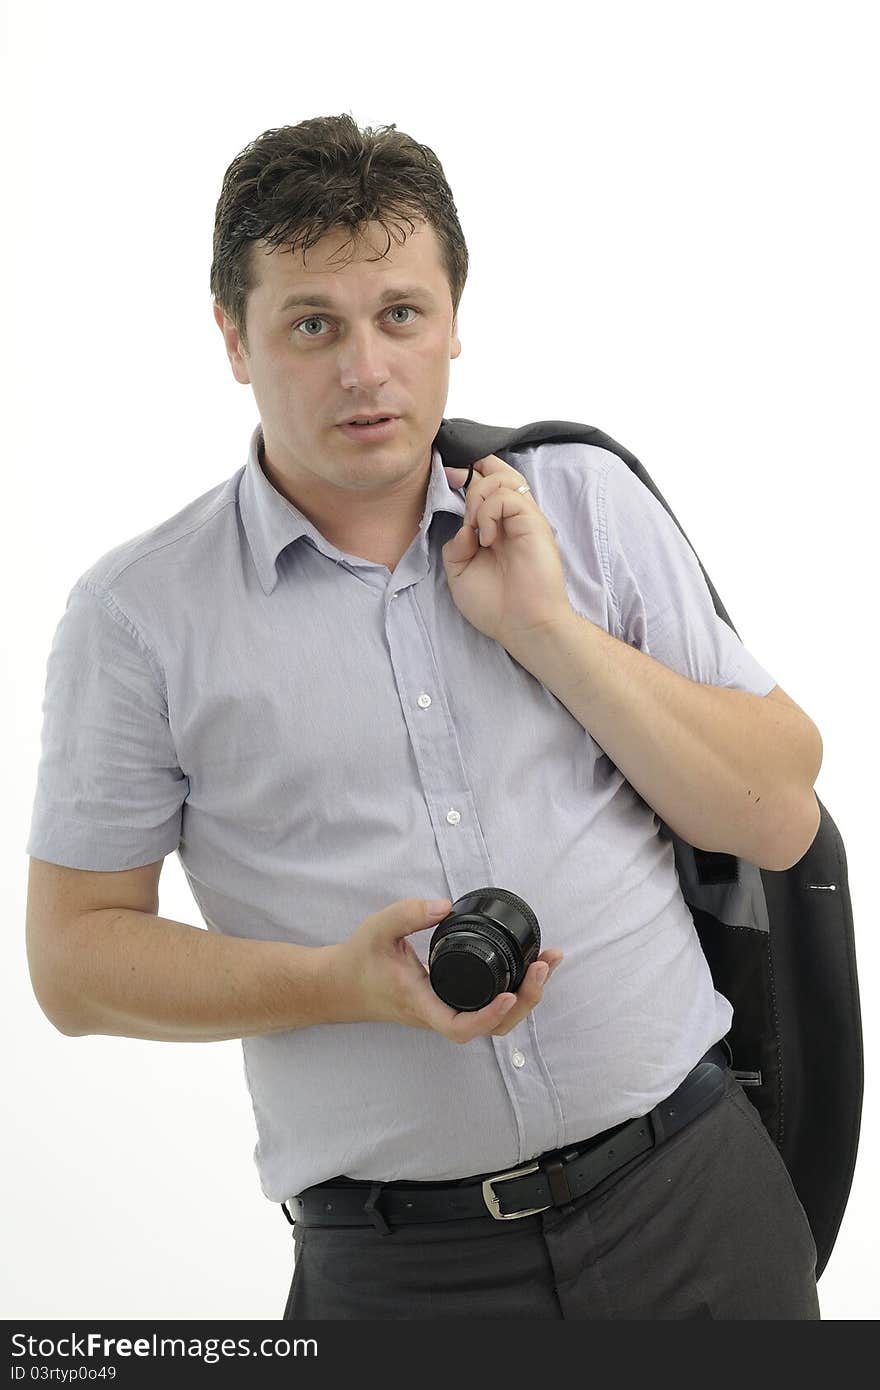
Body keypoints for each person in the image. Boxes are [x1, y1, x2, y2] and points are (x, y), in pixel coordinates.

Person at [25, 113, 825, 1320]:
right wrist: (339, 983)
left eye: (400, 313)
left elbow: (777, 815)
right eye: (312, 325)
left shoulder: (583, 503)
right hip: (402, 1274)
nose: (364, 369)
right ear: (233, 339)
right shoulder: (137, 618)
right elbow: (74, 962)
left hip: (696, 1199)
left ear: (453, 318)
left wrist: (549, 631)